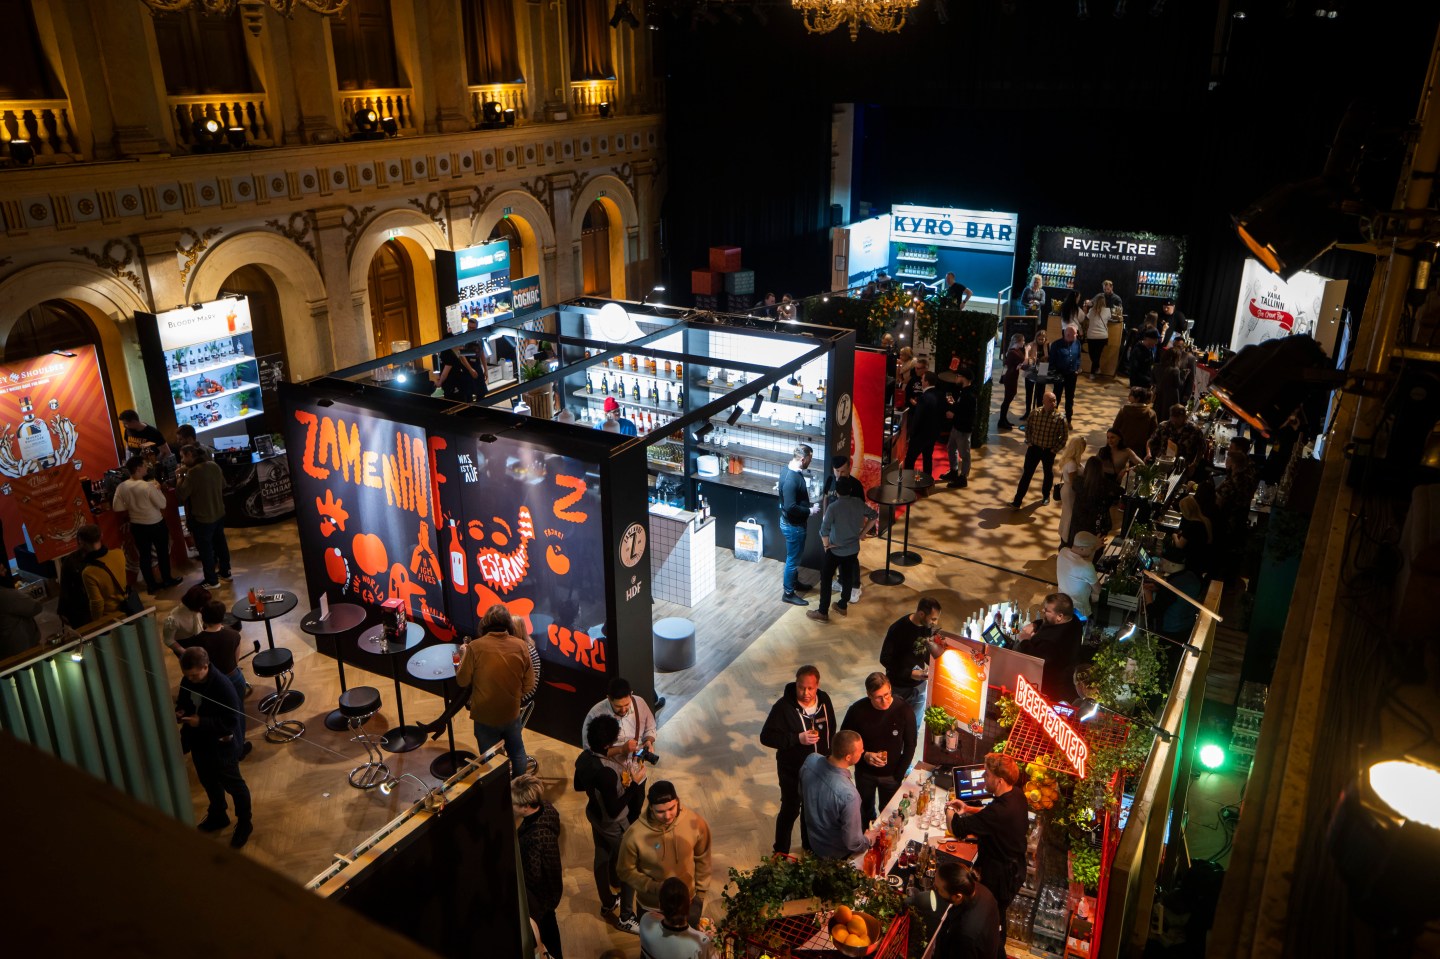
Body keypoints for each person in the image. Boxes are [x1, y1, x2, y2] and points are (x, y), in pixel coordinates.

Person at [944, 752, 1028, 953]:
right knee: (997, 914)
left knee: (992, 916)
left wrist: (949, 810)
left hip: (1000, 875)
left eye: (987, 775)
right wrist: (968, 808)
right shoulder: (1016, 795)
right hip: (1015, 868)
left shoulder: (1000, 812)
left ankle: (993, 951)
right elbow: (991, 814)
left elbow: (957, 829)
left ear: (999, 781)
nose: (983, 778)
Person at [574, 713, 646, 934]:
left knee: (602, 856)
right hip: (613, 823)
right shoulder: (606, 773)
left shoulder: (585, 757)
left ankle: (607, 902)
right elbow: (615, 809)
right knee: (630, 868)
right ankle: (626, 916)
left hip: (594, 815)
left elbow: (578, 785)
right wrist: (634, 784)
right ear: (608, 742)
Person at [176, 646, 252, 847]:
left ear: (205, 666)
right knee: (208, 781)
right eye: (187, 675)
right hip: (200, 743)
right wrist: (180, 711)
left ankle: (245, 823)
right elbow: (184, 701)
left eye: (194, 675)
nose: (190, 679)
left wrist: (201, 722)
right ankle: (218, 815)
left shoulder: (223, 686)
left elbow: (231, 721)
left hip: (222, 747)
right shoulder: (188, 680)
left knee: (235, 787)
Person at [760, 664, 837, 855]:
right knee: (790, 809)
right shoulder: (783, 707)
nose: (805, 692)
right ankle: (781, 852)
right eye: (801, 687)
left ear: (817, 685)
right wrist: (797, 738)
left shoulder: (825, 700)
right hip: (792, 771)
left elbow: (831, 728)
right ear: (796, 684)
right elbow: (766, 737)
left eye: (810, 688)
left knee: (811, 809)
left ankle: (808, 846)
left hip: (819, 769)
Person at [456, 603, 537, 778]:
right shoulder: (521, 646)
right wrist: (512, 695)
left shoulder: (475, 647)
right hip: (511, 712)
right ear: (508, 623)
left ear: (485, 623)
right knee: (517, 752)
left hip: (484, 716)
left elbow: (462, 681)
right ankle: (518, 786)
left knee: (491, 759)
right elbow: (530, 684)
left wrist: (463, 657)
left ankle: (499, 794)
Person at [618, 780, 713, 926]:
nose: (667, 816)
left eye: (671, 808)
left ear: (677, 801)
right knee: (653, 947)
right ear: (651, 808)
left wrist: (700, 894)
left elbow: (703, 857)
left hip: (689, 901)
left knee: (687, 945)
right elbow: (625, 871)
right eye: (660, 811)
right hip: (652, 906)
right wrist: (655, 888)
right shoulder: (634, 835)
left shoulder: (694, 822)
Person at [841, 672, 916, 827]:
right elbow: (844, 741)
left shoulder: (904, 710)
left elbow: (910, 745)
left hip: (892, 775)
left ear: (890, 688)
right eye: (878, 697)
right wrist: (865, 755)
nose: (885, 701)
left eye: (887, 694)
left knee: (889, 814)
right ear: (869, 695)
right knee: (865, 812)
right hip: (865, 774)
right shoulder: (857, 711)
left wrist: (899, 774)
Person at [176, 600, 249, 754]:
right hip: (234, 678)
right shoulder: (234, 635)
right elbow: (236, 661)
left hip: (209, 682)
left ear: (203, 618)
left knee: (214, 714)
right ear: (222, 616)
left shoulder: (196, 641)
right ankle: (240, 746)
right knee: (238, 713)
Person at [808, 476, 877, 623]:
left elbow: (823, 530)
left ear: (837, 492)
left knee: (826, 578)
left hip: (835, 550)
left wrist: (826, 546)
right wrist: (862, 533)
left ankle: (822, 612)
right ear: (851, 490)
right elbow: (874, 516)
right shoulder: (858, 503)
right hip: (853, 549)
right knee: (847, 577)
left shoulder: (833, 507)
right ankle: (842, 605)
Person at [512, 773, 564, 959]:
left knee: (548, 934)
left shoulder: (535, 838)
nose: (513, 807)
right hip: (551, 891)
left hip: (542, 898)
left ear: (526, 807)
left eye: (515, 804)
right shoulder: (547, 808)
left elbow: (533, 875)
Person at [112, 455, 181, 594]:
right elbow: (162, 504)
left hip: (137, 525)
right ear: (138, 469)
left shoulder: (122, 487)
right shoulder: (148, 486)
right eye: (144, 465)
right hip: (155, 523)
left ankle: (151, 585)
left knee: (144, 556)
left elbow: (117, 507)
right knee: (162, 552)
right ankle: (167, 579)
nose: (147, 467)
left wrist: (132, 506)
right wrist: (159, 489)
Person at [799, 729, 868, 860]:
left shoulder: (811, 760)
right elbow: (852, 842)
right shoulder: (849, 795)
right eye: (860, 750)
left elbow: (802, 794)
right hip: (835, 854)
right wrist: (867, 841)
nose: (863, 751)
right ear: (848, 757)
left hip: (812, 840)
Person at [878, 597, 942, 729]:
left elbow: (921, 651)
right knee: (896, 728)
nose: (935, 623)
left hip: (920, 688)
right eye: (933, 619)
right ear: (921, 614)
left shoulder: (926, 627)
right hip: (899, 689)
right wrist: (910, 673)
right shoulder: (898, 629)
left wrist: (935, 663)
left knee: (914, 729)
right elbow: (885, 658)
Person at [176, 444, 231, 587]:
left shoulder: (192, 473)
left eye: (182, 456)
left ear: (189, 455)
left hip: (202, 518)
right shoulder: (214, 466)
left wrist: (179, 477)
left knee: (205, 550)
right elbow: (224, 485)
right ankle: (226, 572)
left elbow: (181, 495)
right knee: (221, 545)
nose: (182, 460)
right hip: (219, 513)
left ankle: (212, 581)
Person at [1016, 593, 1085, 703]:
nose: (1043, 611)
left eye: (1047, 611)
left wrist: (1024, 640)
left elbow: (1035, 658)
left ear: (1060, 616)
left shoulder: (1054, 641)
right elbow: (1048, 622)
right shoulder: (1074, 620)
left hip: (1047, 689)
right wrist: (1035, 624)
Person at [931, 861, 1003, 959]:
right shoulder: (979, 889)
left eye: (938, 889)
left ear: (957, 897)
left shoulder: (964, 935)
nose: (934, 889)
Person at [1010, 391, 1068, 509]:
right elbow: (1028, 428)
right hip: (1034, 449)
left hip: (1048, 451)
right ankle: (1017, 501)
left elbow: (1064, 437)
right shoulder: (1035, 413)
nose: (1053, 403)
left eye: (1054, 400)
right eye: (1050, 400)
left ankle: (1046, 496)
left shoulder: (1060, 418)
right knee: (1027, 474)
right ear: (1043, 401)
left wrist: (1054, 449)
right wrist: (1029, 441)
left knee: (1048, 473)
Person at [582, 677, 658, 764]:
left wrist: (648, 741)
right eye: (618, 706)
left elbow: (650, 727)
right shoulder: (596, 714)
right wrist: (621, 750)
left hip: (635, 764)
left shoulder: (640, 703)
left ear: (631, 695)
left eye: (627, 704)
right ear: (609, 699)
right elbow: (590, 749)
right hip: (609, 767)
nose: (623, 710)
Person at [778, 444, 818, 606]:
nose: (811, 461)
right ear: (803, 459)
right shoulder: (791, 479)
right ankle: (788, 593)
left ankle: (794, 583)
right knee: (792, 560)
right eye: (810, 459)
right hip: (793, 526)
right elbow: (790, 507)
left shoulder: (790, 471)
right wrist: (810, 510)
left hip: (793, 524)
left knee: (794, 557)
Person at [640, 877, 716, 959]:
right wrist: (711, 941)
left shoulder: (646, 921)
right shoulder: (702, 943)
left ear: (660, 905)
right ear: (690, 902)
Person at [76, 523, 129, 628]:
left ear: (81, 542)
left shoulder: (88, 572)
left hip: (110, 617)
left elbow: (97, 602)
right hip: (127, 608)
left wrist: (96, 623)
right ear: (102, 536)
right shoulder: (119, 553)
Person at [941, 365, 977, 488]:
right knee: (951, 448)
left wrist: (953, 415)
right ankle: (954, 471)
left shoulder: (970, 395)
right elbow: (962, 408)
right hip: (956, 428)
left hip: (963, 430)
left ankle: (963, 478)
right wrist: (954, 405)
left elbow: (969, 415)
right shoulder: (964, 391)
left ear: (964, 378)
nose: (956, 378)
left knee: (964, 454)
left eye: (958, 376)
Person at [904, 371, 943, 477]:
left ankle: (908, 481)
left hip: (920, 435)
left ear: (926, 381)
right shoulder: (939, 395)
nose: (921, 380)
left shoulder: (923, 398)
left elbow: (918, 418)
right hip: (932, 434)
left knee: (910, 459)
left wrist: (912, 433)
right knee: (927, 458)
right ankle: (927, 481)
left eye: (922, 379)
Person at [1149, 404, 1208, 472]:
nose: (1174, 422)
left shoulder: (1194, 430)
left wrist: (1194, 464)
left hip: (1184, 467)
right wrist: (1154, 455)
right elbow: (1152, 442)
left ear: (1184, 417)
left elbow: (1202, 448)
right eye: (1173, 418)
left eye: (1178, 419)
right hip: (1164, 464)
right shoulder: (1163, 426)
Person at [1068, 457, 1114, 544]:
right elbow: (1120, 491)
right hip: (1097, 525)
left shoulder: (1079, 482)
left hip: (1079, 524)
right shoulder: (1105, 484)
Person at [1056, 532, 1100, 619]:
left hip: (1062, 603)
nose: (1092, 551)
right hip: (1079, 610)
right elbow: (1098, 589)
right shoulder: (1086, 566)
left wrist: (1093, 548)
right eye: (1091, 549)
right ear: (1082, 549)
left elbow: (1083, 561)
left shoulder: (1063, 552)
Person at [1054, 437, 1087, 547]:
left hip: (1067, 491)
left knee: (1067, 514)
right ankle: (1066, 540)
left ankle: (1064, 538)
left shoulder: (1070, 461)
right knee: (1070, 516)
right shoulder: (1072, 464)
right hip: (1070, 493)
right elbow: (1075, 483)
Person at [1171, 495, 1213, 577]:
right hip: (1202, 558)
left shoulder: (1192, 526)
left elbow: (1179, 545)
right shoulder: (1205, 520)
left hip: (1192, 560)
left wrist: (1174, 536)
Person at [1049, 324, 1083, 423]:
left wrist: (1076, 368)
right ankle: (1053, 419)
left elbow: (1078, 358)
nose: (1074, 337)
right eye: (1072, 335)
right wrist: (1055, 373)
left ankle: (1068, 419)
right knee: (1057, 397)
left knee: (1070, 398)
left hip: (1072, 375)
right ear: (1066, 334)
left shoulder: (1077, 343)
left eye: (1075, 335)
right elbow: (1052, 362)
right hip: (1059, 375)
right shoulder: (1056, 344)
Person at [164, 584, 212, 654]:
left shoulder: (198, 609)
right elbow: (168, 640)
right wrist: (185, 652)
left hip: (199, 638)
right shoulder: (173, 619)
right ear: (196, 605)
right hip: (184, 644)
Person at [0, 582, 43, 659]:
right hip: (20, 648)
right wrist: (26, 596)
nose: (5, 572)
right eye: (2, 570)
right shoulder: (6, 595)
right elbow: (35, 607)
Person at [1111, 387, 1158, 456]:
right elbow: (1154, 433)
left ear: (1137, 398)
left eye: (1131, 395)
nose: (1128, 396)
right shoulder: (1151, 413)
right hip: (1141, 448)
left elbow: (1115, 428)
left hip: (1123, 445)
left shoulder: (1123, 411)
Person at [997, 334, 1025, 432]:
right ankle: (1001, 421)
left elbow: (1020, 362)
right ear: (1018, 341)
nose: (1024, 342)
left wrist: (1019, 365)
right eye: (1023, 341)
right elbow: (1023, 361)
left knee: (1009, 398)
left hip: (1013, 377)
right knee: (1007, 399)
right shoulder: (1013, 352)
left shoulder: (1017, 350)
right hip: (1010, 378)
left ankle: (1004, 419)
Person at [1020, 330, 1049, 419]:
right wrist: (1028, 353)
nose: (1041, 341)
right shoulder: (1031, 345)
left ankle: (1038, 412)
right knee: (1029, 392)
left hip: (1043, 370)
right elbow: (1026, 356)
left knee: (1040, 393)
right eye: (1039, 339)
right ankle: (1028, 412)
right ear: (1036, 338)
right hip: (1031, 370)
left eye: (1042, 339)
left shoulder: (1047, 346)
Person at [1083, 293, 1111, 377]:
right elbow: (1109, 318)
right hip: (1102, 336)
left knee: (1093, 354)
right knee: (1097, 355)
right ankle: (1097, 368)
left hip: (1091, 335)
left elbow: (1087, 317)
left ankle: (1092, 373)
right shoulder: (1108, 310)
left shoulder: (1091, 311)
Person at [1152, 346, 1184, 416]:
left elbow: (1153, 380)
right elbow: (1177, 384)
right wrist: (1184, 376)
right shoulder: (1175, 370)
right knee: (1167, 415)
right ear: (1176, 358)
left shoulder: (1156, 366)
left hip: (1159, 394)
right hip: (1171, 397)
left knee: (1158, 413)